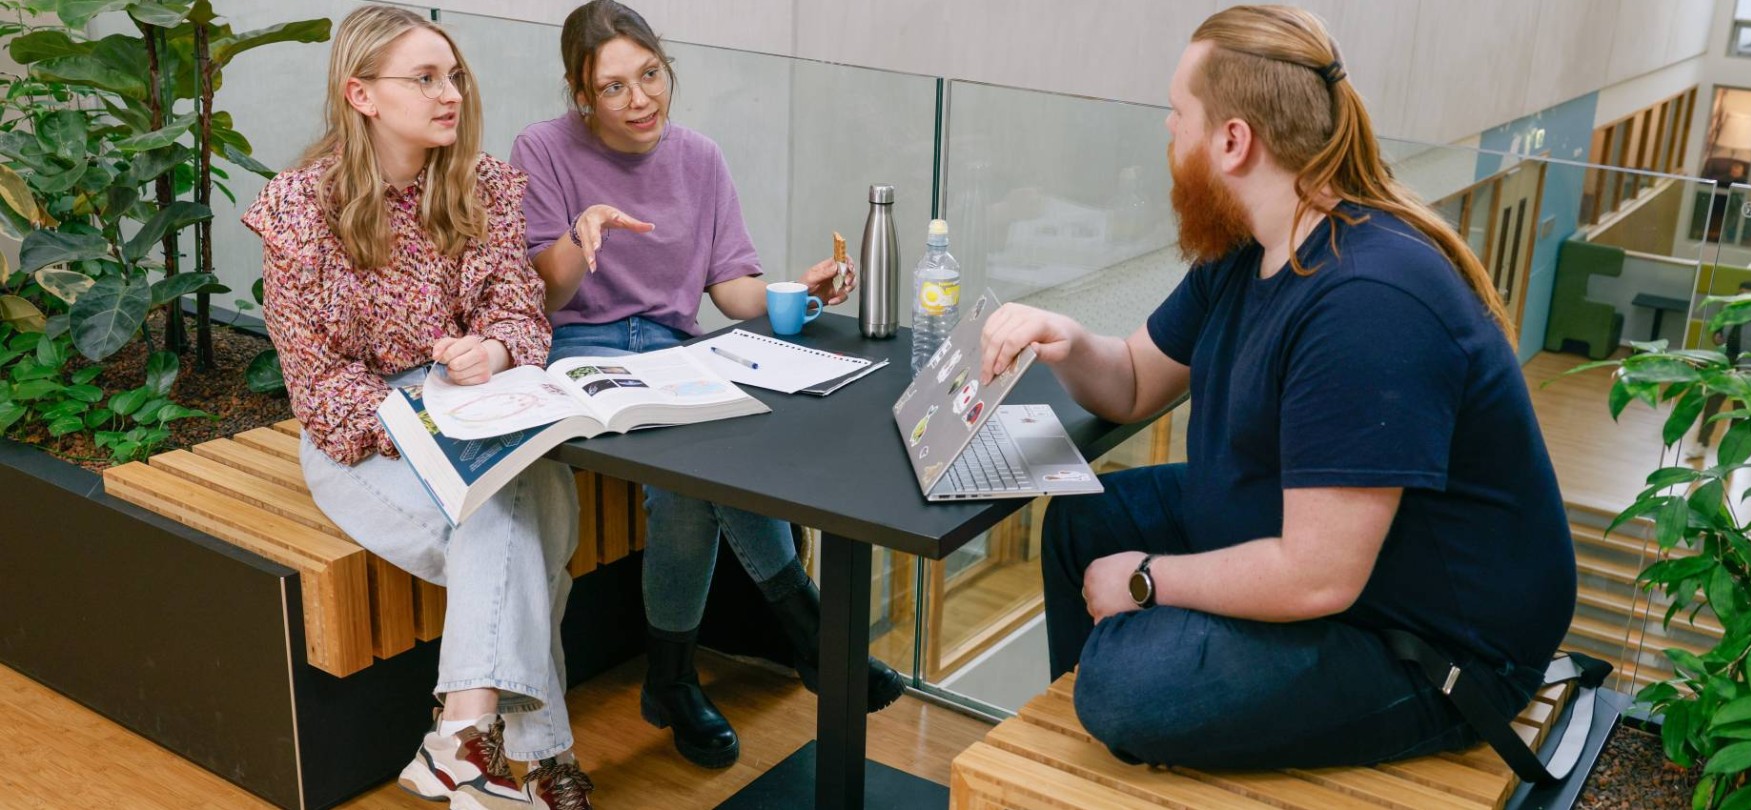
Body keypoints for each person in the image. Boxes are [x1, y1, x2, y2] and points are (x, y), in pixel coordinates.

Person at [980, 4, 1576, 769]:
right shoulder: (1249, 248)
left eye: (1177, 111)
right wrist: (1061, 338)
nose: (1168, 131)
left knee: (1129, 687)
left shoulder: (1368, 301)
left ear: (1233, 140)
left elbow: (1320, 575)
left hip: (1429, 648)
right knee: (1086, 520)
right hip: (1323, 559)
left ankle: (1144, 710)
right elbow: (1129, 383)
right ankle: (1124, 743)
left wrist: (1145, 580)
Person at [509, 0, 903, 770]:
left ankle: (673, 678)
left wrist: (808, 291)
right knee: (689, 473)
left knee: (707, 466)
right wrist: (577, 238)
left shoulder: (700, 157)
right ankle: (809, 632)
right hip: (575, 354)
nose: (640, 100)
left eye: (650, 74)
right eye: (613, 88)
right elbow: (537, 295)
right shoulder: (542, 150)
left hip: (673, 350)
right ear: (581, 95)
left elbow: (733, 292)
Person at [244, 6, 595, 808]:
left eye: (455, 76)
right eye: (425, 78)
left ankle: (463, 749)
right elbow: (321, 390)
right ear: (360, 93)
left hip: (474, 408)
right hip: (366, 439)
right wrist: (430, 428)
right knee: (521, 536)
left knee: (512, 510)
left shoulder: (484, 184)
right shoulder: (299, 210)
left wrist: (495, 351)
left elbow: (519, 310)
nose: (451, 95)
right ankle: (539, 761)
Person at [1687, 279, 1751, 458]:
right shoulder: (1729, 312)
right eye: (1739, 294)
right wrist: (1717, 338)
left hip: (1749, 368)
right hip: (1727, 363)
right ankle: (1701, 443)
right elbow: (1718, 335)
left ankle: (1731, 452)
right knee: (1712, 403)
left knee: (1739, 410)